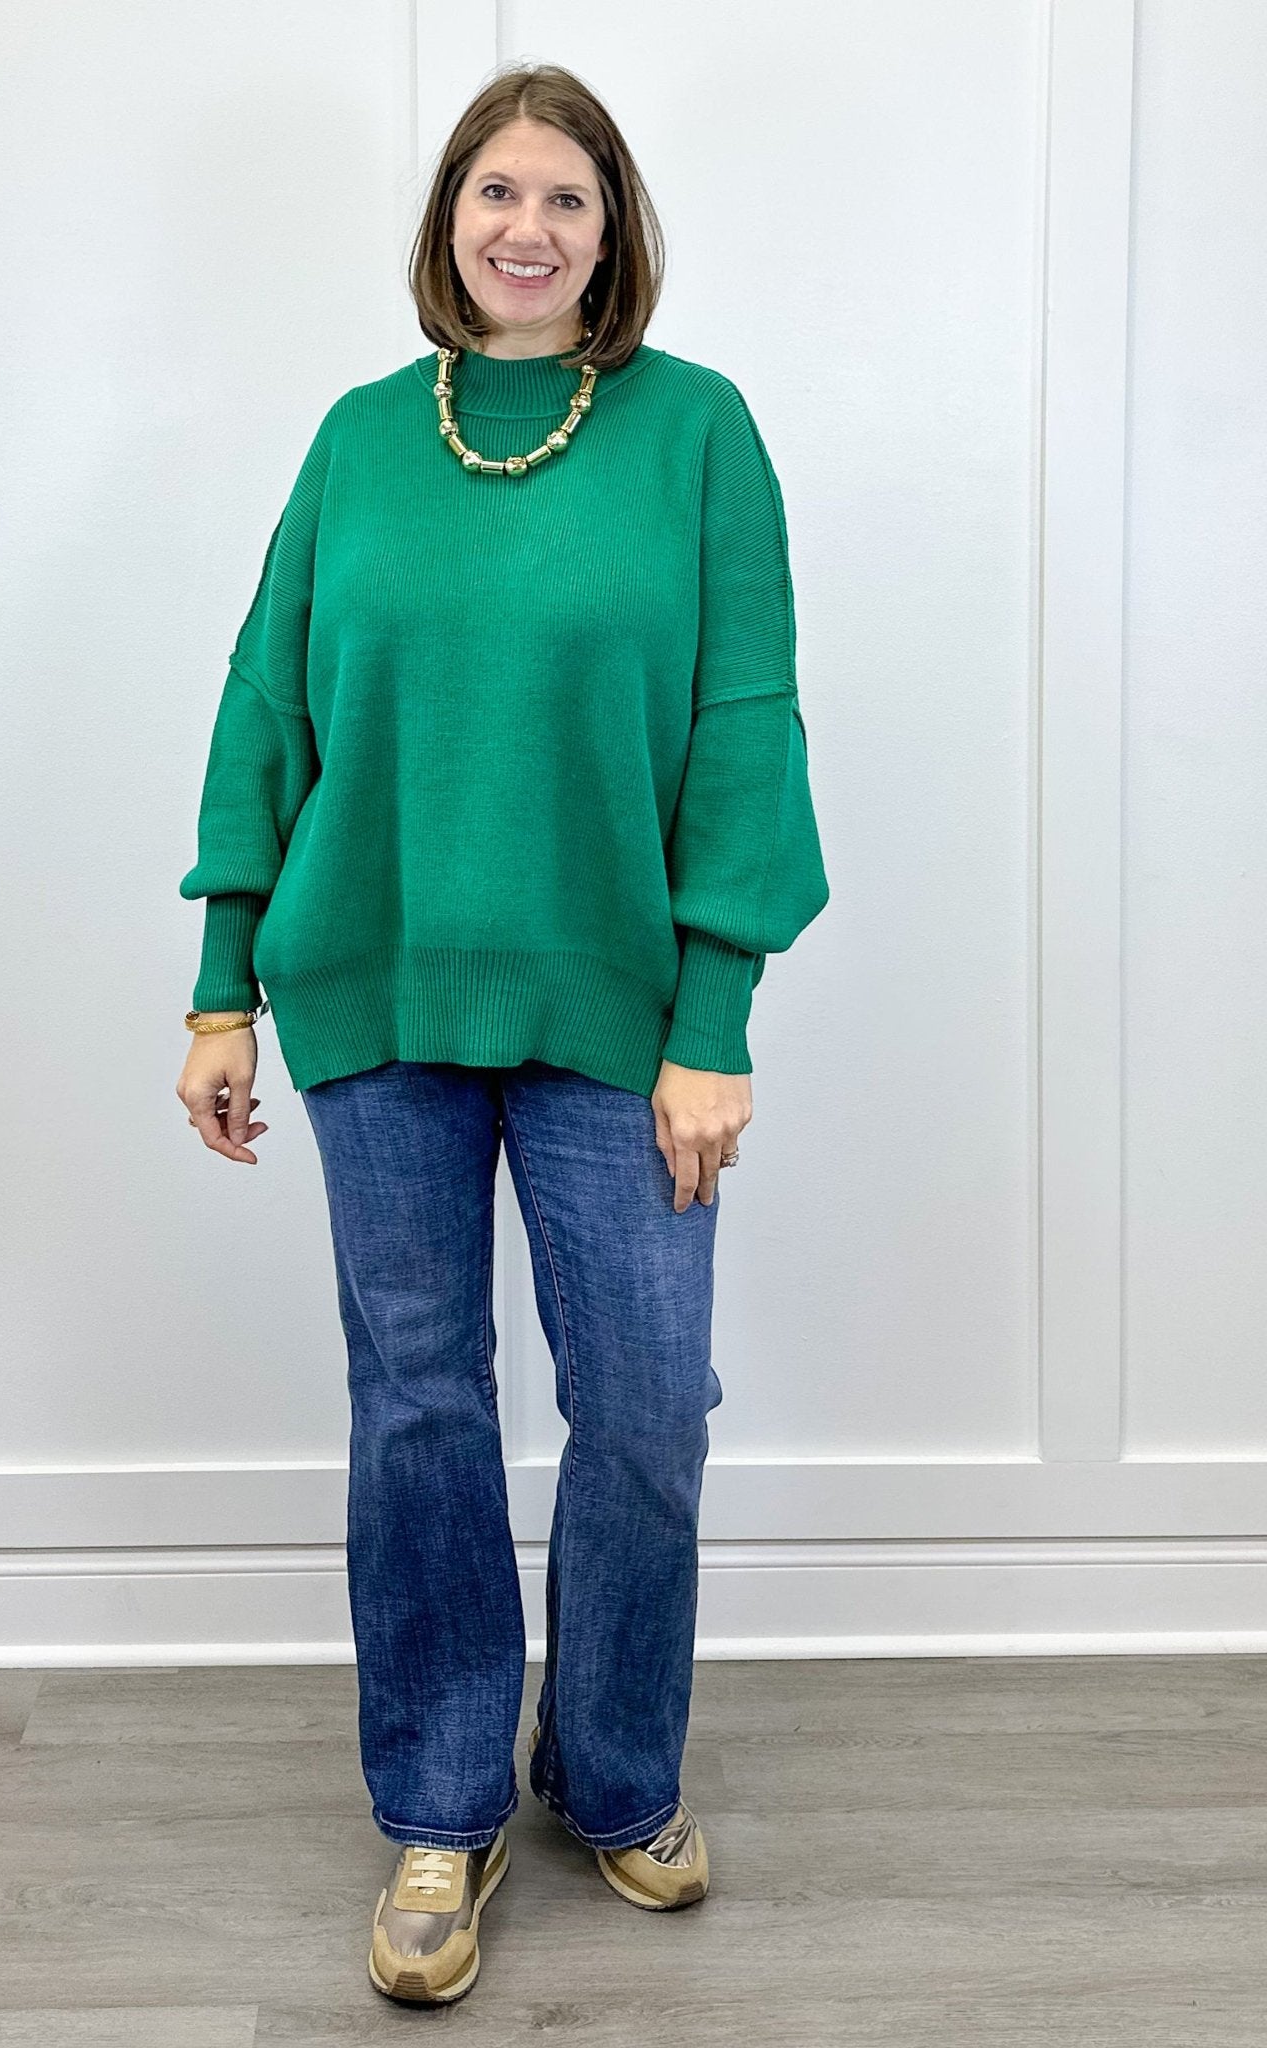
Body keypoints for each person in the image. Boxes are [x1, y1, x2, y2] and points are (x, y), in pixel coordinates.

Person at [175, 61, 830, 2006]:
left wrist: (713, 1016)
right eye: (495, 193)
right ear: (447, 218)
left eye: (565, 198)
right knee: (421, 1404)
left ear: (612, 231)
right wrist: (221, 980)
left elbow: (746, 728)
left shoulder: (696, 432)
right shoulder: (363, 440)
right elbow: (268, 704)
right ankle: (442, 1803)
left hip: (618, 1016)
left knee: (646, 1400)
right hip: (372, 991)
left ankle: (613, 1771)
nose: (526, 228)